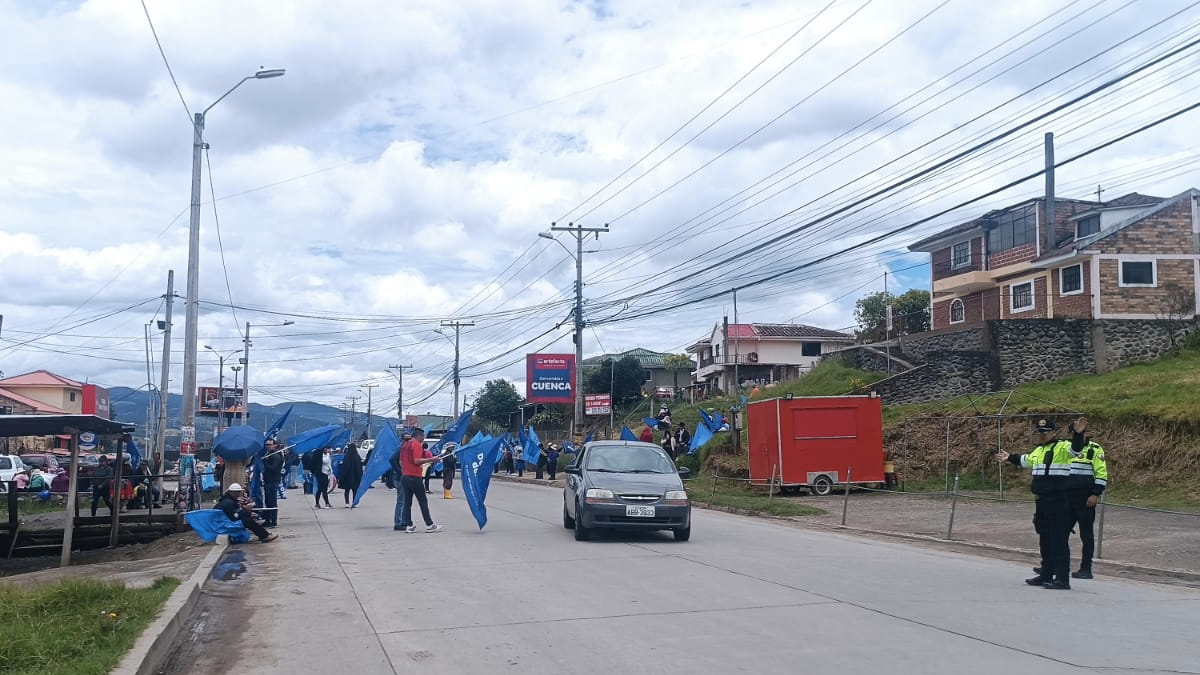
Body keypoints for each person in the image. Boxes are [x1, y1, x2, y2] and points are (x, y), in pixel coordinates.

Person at [996, 417, 1083, 590]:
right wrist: (1010, 458)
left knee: (1058, 540)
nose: (1042, 435)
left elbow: (1076, 449)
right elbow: (1026, 460)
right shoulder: (1039, 450)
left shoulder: (1063, 447)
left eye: (1045, 432)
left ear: (1054, 432)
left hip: (1058, 500)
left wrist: (1079, 434)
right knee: (1045, 539)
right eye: (1039, 432)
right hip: (1041, 501)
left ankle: (1062, 578)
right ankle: (1045, 574)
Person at [1064, 417, 1108, 580]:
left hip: (1085, 498)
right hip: (1066, 496)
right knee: (1060, 532)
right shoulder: (1066, 449)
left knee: (1086, 535)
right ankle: (1056, 565)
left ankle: (1086, 568)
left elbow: (1102, 474)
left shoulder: (1094, 449)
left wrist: (1095, 493)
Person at [396, 428, 444, 533]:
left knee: (407, 502)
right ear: (419, 436)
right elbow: (417, 461)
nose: (423, 439)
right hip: (414, 477)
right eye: (423, 436)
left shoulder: (404, 445)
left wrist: (405, 469)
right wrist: (433, 459)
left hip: (405, 476)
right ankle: (429, 524)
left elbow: (400, 461)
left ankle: (409, 525)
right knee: (422, 501)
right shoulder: (416, 445)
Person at [392, 431, 414, 530]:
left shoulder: (407, 449)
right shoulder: (400, 449)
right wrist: (400, 471)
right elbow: (392, 459)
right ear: (402, 440)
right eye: (406, 439)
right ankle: (398, 522)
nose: (408, 441)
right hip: (400, 478)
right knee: (401, 500)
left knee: (405, 500)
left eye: (410, 439)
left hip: (407, 477)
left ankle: (403, 520)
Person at [261, 439, 284, 526]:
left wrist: (265, 462)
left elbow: (273, 468)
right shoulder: (269, 455)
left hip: (273, 482)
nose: (268, 446)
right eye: (267, 445)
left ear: (274, 445)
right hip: (268, 481)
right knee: (267, 502)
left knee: (272, 502)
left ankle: (273, 521)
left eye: (270, 445)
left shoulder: (276, 456)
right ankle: (268, 520)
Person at [338, 442, 364, 508]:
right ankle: (354, 502)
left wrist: (342, 476)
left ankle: (347, 503)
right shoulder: (357, 457)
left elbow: (344, 467)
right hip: (355, 477)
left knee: (347, 490)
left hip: (347, 477)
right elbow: (359, 468)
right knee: (354, 490)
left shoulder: (346, 457)